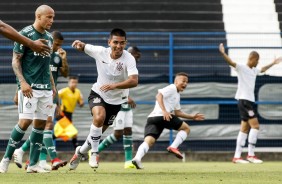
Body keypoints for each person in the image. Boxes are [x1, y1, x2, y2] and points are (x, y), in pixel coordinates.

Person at [68, 28, 139, 170]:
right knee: (99, 117)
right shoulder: (100, 51)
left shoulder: (129, 58)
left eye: (122, 43)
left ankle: (80, 152)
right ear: (109, 42)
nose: (118, 46)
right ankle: (94, 153)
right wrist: (78, 44)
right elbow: (83, 47)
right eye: (115, 42)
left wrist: (115, 86)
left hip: (116, 101)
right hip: (98, 93)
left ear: (125, 43)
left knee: (97, 132)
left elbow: (134, 81)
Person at [0, 5, 56, 174]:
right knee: (25, 122)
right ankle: (5, 160)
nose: (51, 21)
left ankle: (33, 165)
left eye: (53, 17)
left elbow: (47, 65)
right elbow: (15, 61)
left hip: (45, 89)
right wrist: (22, 83)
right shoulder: (25, 34)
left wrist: (53, 86)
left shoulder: (49, 38)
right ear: (38, 16)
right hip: (29, 88)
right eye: (49, 17)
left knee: (40, 125)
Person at [13, 31, 69, 171]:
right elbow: (24, 69)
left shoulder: (56, 57)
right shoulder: (38, 52)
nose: (57, 47)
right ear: (52, 42)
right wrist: (18, 90)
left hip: (50, 93)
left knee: (44, 126)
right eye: (56, 44)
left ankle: (37, 159)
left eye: (60, 45)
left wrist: (64, 59)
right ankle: (51, 159)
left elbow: (65, 74)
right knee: (44, 125)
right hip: (34, 91)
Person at [219, 43, 282, 164]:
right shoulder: (242, 67)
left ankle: (237, 157)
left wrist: (273, 63)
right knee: (256, 126)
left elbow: (262, 69)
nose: (258, 62)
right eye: (257, 60)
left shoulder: (254, 70)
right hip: (244, 101)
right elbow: (231, 62)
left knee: (244, 129)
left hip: (247, 102)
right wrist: (223, 54)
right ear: (252, 59)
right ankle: (251, 155)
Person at [131, 72, 205, 169]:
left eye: (187, 82)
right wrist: (164, 111)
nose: (185, 84)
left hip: (153, 118)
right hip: (163, 116)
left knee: (149, 141)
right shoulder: (172, 87)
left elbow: (178, 113)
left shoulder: (177, 95)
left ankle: (137, 158)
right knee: (186, 129)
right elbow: (158, 96)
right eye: (183, 81)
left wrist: (192, 117)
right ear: (176, 81)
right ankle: (173, 147)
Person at [97, 46, 141, 169]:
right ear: (129, 53)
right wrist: (127, 97)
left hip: (126, 106)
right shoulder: (121, 64)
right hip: (118, 103)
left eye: (138, 56)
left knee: (128, 131)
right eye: (136, 54)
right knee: (117, 133)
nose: (137, 57)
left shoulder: (132, 66)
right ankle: (95, 150)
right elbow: (115, 82)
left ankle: (128, 161)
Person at [57, 76, 84, 149]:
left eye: (75, 82)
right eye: (72, 82)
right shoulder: (64, 91)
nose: (74, 84)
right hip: (62, 114)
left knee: (59, 134)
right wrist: (58, 108)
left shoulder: (78, 92)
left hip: (69, 115)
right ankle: (78, 152)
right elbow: (55, 96)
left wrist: (81, 103)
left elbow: (81, 102)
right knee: (73, 133)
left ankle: (43, 143)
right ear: (68, 83)